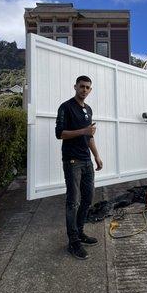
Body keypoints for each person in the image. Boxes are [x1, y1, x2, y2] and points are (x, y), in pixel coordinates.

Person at [55, 75, 103, 260]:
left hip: (87, 161)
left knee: (87, 199)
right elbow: (60, 134)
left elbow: (89, 136)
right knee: (73, 202)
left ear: (90, 90)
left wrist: (97, 156)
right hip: (72, 161)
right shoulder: (65, 107)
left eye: (87, 87)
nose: (84, 90)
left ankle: (80, 232)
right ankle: (73, 242)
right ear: (75, 86)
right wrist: (84, 131)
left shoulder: (88, 109)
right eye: (81, 86)